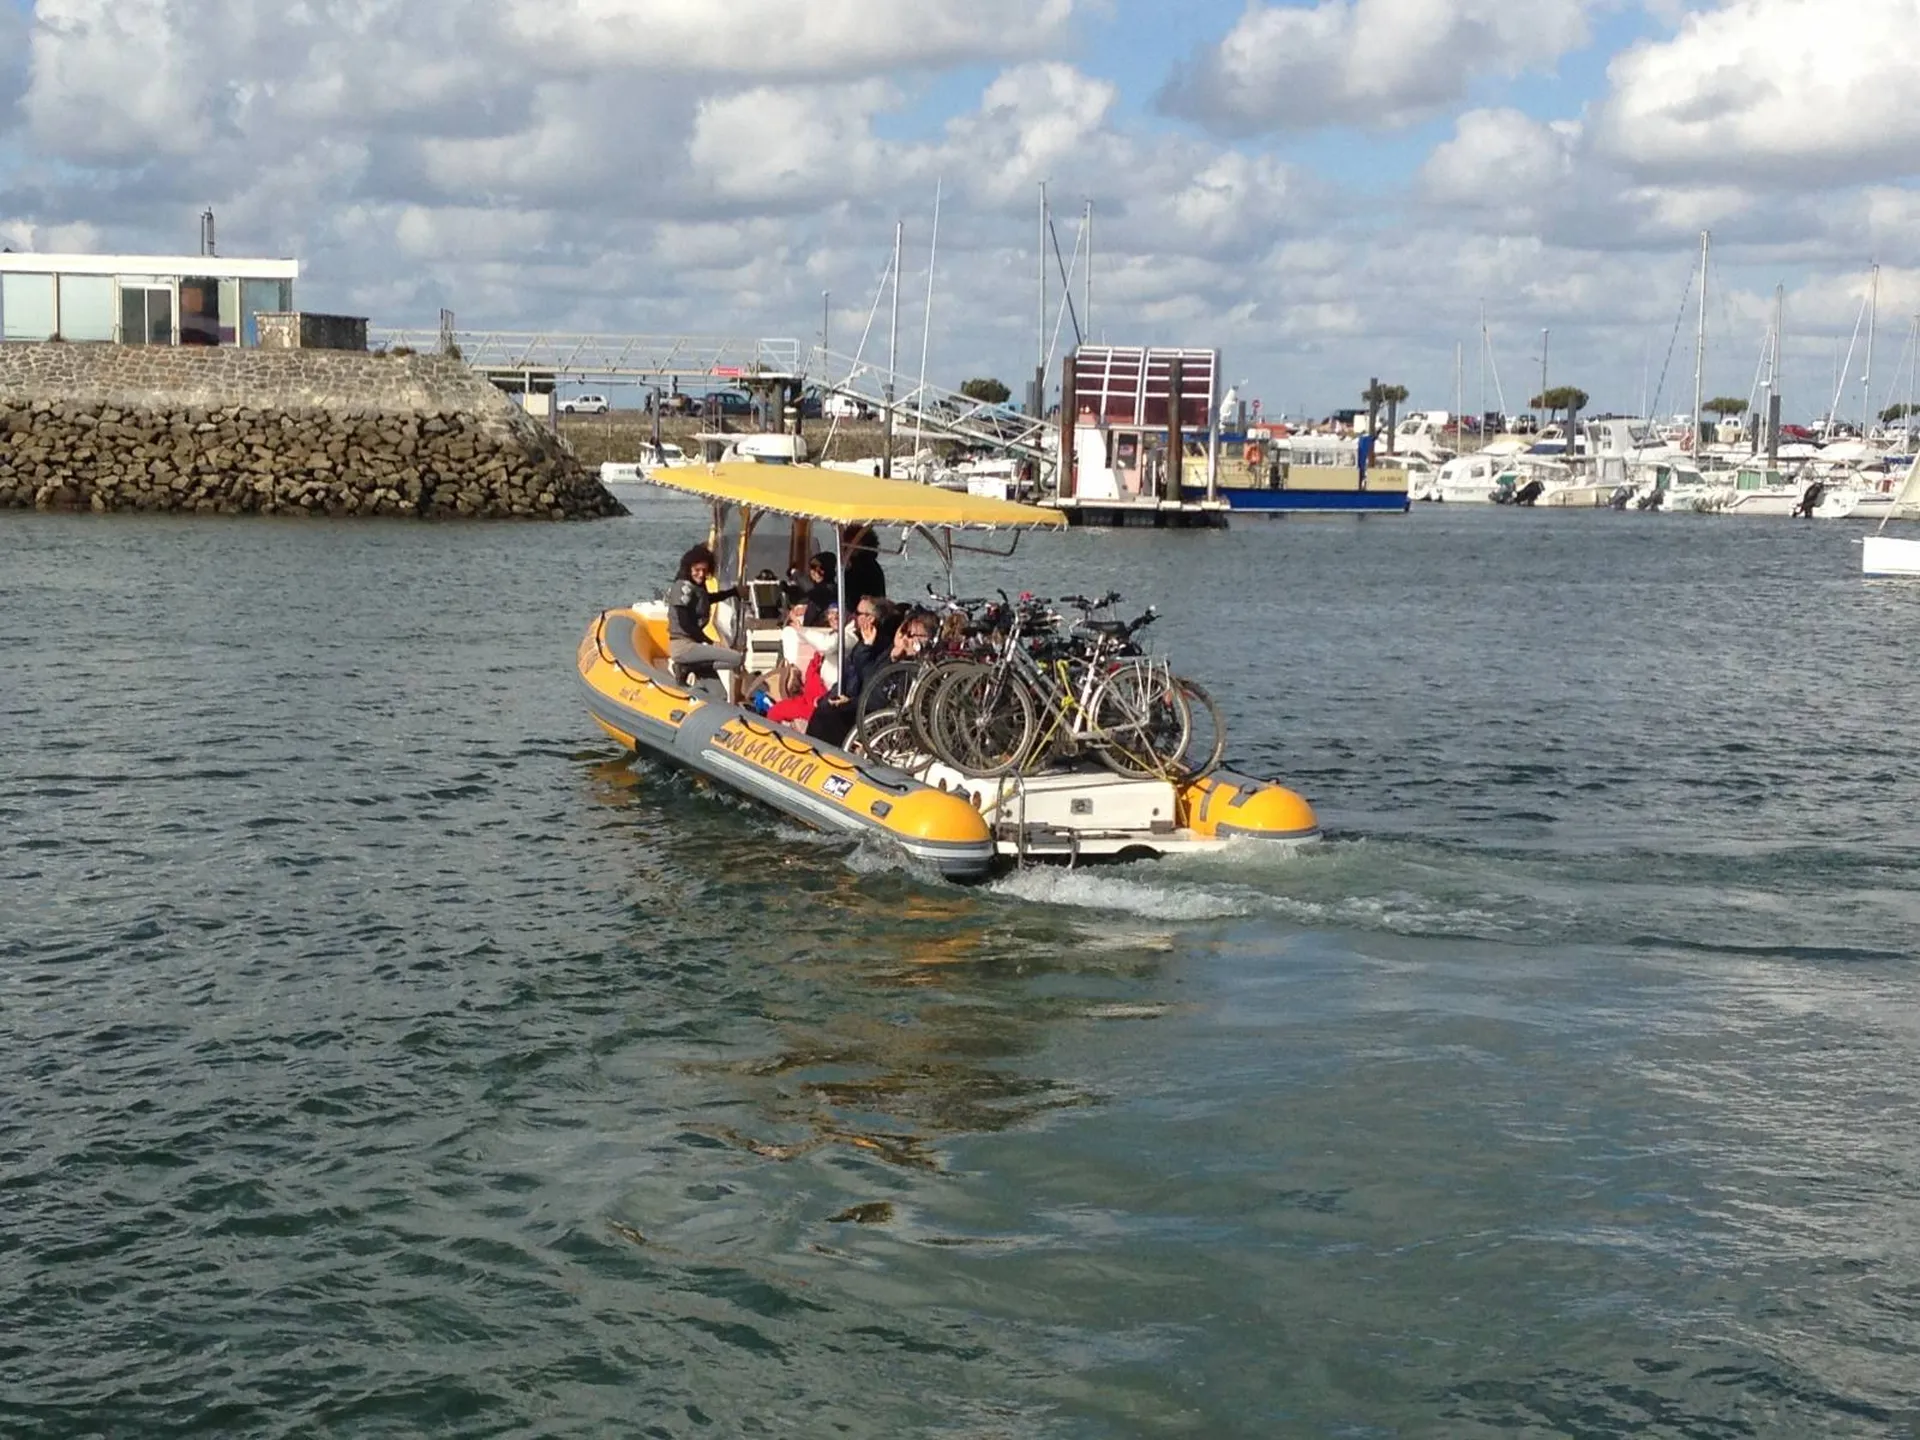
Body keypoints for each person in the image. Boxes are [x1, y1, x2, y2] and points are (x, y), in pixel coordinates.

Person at [805, 598, 899, 747]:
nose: (855, 616)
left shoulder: (880, 646)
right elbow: (849, 673)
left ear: (870, 618)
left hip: (865, 708)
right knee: (823, 711)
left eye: (859, 613)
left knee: (826, 716)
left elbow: (866, 678)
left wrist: (866, 647)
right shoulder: (864, 642)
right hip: (852, 699)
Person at [664, 544, 745, 698]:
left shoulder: (697, 588)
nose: (701, 574)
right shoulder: (682, 587)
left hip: (694, 646)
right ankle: (685, 667)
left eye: (704, 571)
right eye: (697, 570)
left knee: (720, 694)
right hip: (683, 646)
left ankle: (696, 680)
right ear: (689, 568)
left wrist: (733, 592)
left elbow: (707, 600)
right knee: (736, 658)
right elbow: (685, 623)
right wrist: (710, 641)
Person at [782, 550, 839, 625]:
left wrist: (794, 572)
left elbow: (811, 590)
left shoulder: (831, 589)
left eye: (819, 569)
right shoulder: (810, 592)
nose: (813, 572)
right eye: (812, 567)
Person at [841, 525, 886, 605]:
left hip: (861, 608)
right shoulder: (872, 564)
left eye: (848, 541)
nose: (845, 544)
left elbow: (851, 593)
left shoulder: (861, 566)